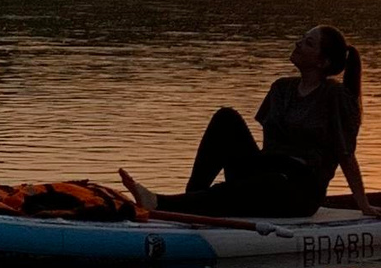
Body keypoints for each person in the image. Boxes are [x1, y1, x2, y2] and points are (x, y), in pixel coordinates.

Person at [120, 24, 365, 219]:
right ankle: (191, 199)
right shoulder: (281, 88)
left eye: (308, 43)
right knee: (226, 118)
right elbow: (268, 147)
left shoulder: (334, 95)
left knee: (273, 181)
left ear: (322, 62)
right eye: (302, 38)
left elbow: (345, 153)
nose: (298, 43)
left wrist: (362, 203)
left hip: (299, 190)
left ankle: (161, 203)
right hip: (266, 175)